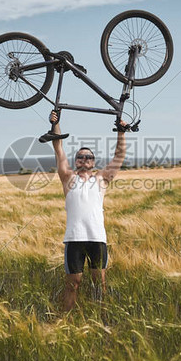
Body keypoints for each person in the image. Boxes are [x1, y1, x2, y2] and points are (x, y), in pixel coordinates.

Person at [49, 110, 127, 311]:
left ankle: (104, 319)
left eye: (88, 157)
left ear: (93, 161)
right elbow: (58, 147)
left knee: (99, 284)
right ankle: (64, 321)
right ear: (76, 161)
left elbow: (119, 155)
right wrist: (55, 124)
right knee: (72, 284)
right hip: (74, 239)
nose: (84, 159)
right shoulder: (68, 178)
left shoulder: (101, 179)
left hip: (97, 239)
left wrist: (121, 132)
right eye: (80, 156)